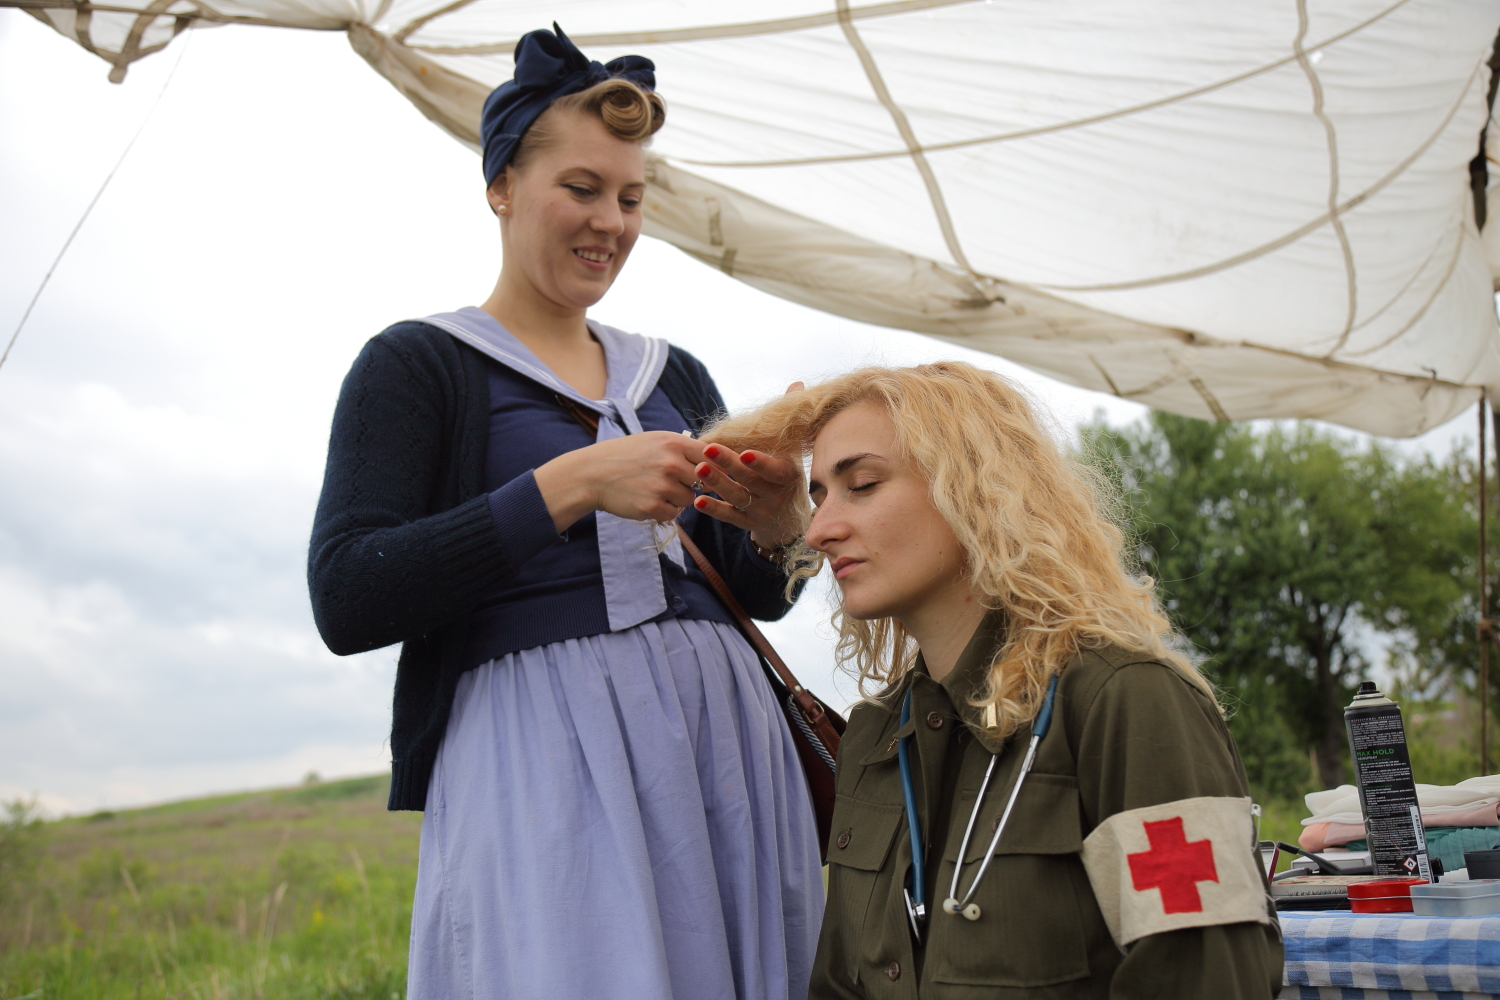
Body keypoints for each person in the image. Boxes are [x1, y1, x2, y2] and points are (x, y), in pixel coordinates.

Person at [306, 25, 822, 1000]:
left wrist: (780, 520)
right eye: (581, 189)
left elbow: (756, 594)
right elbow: (348, 596)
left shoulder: (672, 372)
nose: (613, 223)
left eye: (632, 198)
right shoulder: (419, 364)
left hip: (725, 748)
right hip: (542, 757)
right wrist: (574, 483)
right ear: (500, 185)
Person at [703, 362, 1283, 998]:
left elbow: (1209, 978)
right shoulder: (873, 737)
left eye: (861, 484)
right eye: (818, 497)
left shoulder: (1128, 702)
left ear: (973, 488)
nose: (818, 529)